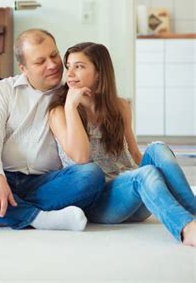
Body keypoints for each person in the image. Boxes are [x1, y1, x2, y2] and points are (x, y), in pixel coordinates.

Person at [0, 29, 105, 231]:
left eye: (54, 55)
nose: (53, 65)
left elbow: (80, 156)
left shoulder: (71, 94)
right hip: (5, 175)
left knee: (91, 175)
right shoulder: (2, 90)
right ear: (23, 68)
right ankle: (39, 218)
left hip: (46, 181)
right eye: (40, 62)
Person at [47, 42, 196, 246]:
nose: (70, 73)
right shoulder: (59, 111)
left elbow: (134, 153)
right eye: (68, 66)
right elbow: (81, 158)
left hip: (135, 193)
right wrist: (71, 107)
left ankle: (194, 214)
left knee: (157, 148)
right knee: (144, 175)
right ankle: (186, 229)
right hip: (101, 203)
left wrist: (156, 174)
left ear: (99, 73)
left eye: (79, 66)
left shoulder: (120, 106)